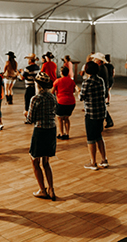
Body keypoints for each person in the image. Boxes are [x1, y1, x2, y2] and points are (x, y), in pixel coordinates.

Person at [26, 72, 57, 201]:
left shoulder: (36, 98)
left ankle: (42, 190)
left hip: (40, 130)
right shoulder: (52, 97)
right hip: (51, 129)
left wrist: (25, 113)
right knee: (46, 162)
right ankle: (51, 188)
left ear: (37, 84)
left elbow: (30, 119)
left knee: (34, 160)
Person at [80, 61, 108, 171]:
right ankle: (104, 160)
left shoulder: (87, 82)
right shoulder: (100, 80)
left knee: (91, 139)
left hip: (91, 113)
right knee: (99, 136)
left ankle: (93, 162)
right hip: (101, 112)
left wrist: (78, 92)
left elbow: (81, 97)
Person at [51, 66, 76, 140]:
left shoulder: (57, 81)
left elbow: (52, 92)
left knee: (60, 118)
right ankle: (67, 133)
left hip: (61, 102)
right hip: (71, 102)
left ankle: (62, 134)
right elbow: (73, 90)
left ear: (61, 72)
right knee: (66, 118)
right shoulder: (71, 81)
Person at [91, 52, 114, 128]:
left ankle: (106, 121)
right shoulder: (103, 67)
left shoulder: (100, 69)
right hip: (103, 90)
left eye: (95, 59)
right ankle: (108, 120)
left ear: (99, 61)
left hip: (101, 90)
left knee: (100, 107)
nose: (94, 60)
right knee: (101, 106)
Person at [18, 54, 40, 122]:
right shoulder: (38, 67)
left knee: (28, 103)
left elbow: (22, 78)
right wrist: (23, 72)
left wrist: (18, 73)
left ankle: (29, 118)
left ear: (30, 60)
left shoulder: (27, 68)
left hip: (29, 87)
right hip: (36, 88)